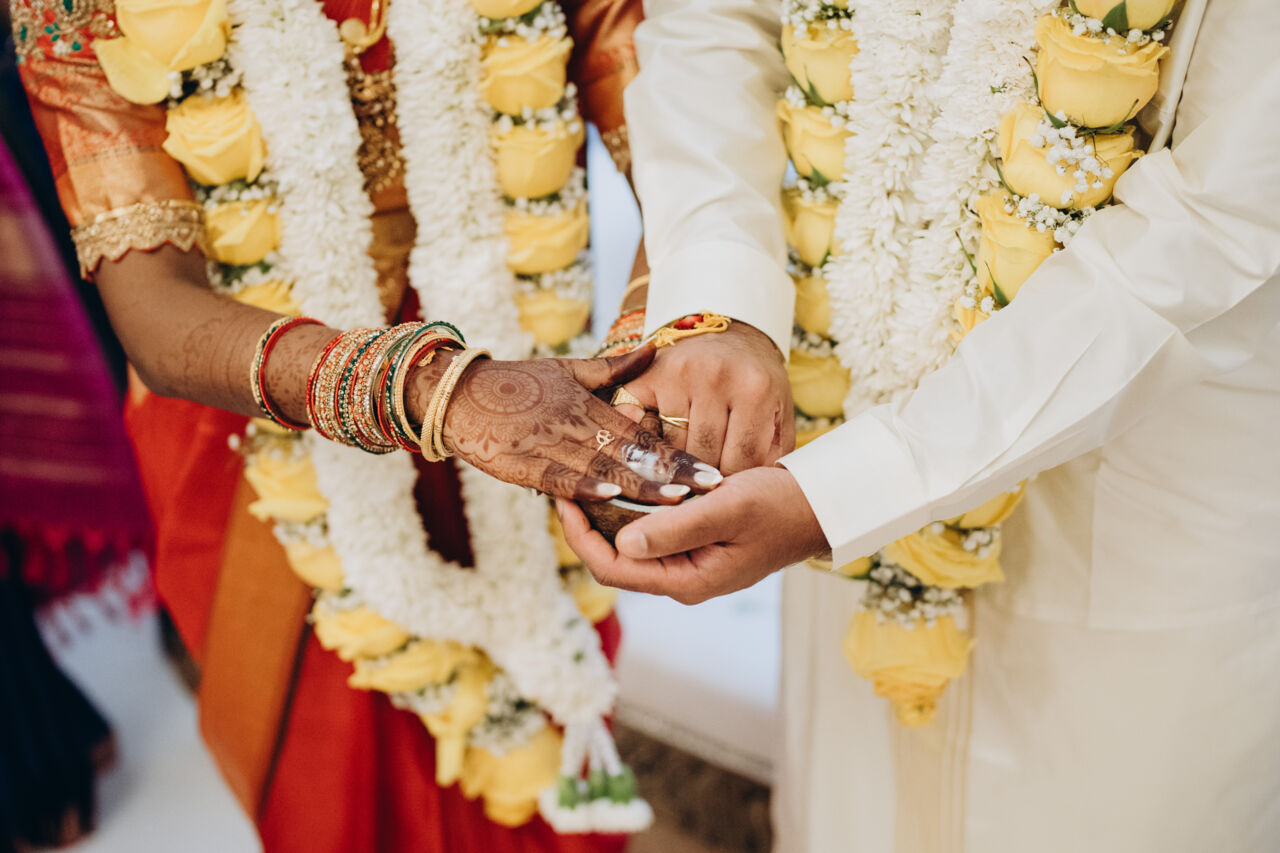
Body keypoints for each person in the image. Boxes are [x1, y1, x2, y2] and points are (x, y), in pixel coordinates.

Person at [561, 0, 1280, 849]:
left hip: (1139, 488)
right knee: (850, 813)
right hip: (833, 409)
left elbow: (1212, 220)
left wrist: (850, 491)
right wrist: (722, 308)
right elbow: (713, 21)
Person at [8, 0, 718, 849]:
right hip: (259, 401)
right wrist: (439, 391)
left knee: (546, 677)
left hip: (528, 343)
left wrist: (644, 354)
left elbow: (678, 130)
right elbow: (154, 309)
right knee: (335, 779)